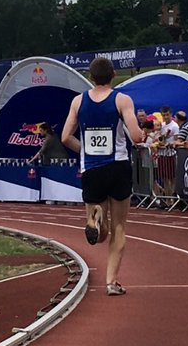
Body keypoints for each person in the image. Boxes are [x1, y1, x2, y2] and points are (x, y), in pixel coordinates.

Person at [61, 57, 145, 295]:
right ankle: (111, 282)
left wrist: (85, 149)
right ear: (113, 75)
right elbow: (137, 136)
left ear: (90, 77)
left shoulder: (78, 101)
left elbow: (66, 137)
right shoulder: (122, 99)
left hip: (92, 168)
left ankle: (96, 218)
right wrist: (140, 133)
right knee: (119, 228)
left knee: (100, 234)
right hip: (117, 166)